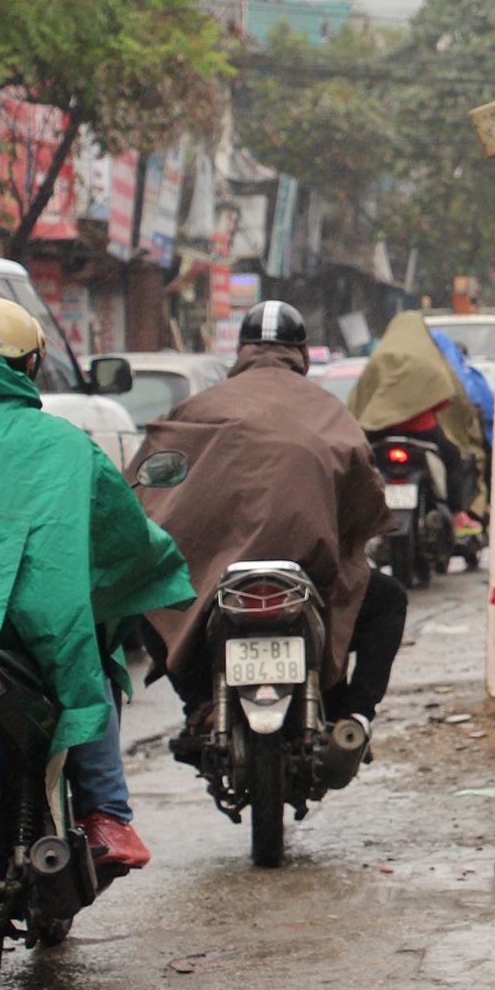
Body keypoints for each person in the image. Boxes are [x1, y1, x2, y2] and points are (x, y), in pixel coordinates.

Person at [0, 298, 194, 874]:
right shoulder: (64, 445)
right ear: (30, 366)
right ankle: (105, 814)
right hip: (16, 634)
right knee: (89, 668)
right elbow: (124, 537)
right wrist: (160, 566)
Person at [134, 301, 403, 735]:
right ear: (300, 352)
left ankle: (202, 701)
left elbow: (152, 480)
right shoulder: (328, 410)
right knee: (388, 600)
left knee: (146, 592)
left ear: (242, 350)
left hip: (216, 576)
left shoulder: (200, 407)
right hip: (310, 571)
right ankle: (353, 715)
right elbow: (365, 490)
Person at [348, 310, 487, 530]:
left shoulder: (382, 355)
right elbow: (447, 394)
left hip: (379, 431)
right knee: (453, 458)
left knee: (355, 461)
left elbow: (362, 397)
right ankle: (457, 514)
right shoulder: (428, 357)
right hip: (422, 430)